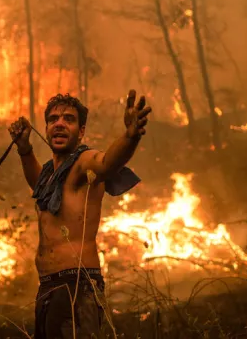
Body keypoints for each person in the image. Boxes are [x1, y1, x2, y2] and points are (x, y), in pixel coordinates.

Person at [9, 90, 151, 339]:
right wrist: (24, 149)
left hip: (77, 285)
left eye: (68, 119)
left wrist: (130, 136)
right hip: (48, 288)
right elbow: (38, 186)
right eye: (53, 119)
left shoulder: (83, 162)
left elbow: (107, 163)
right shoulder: (50, 175)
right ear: (47, 127)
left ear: (81, 131)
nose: (60, 124)